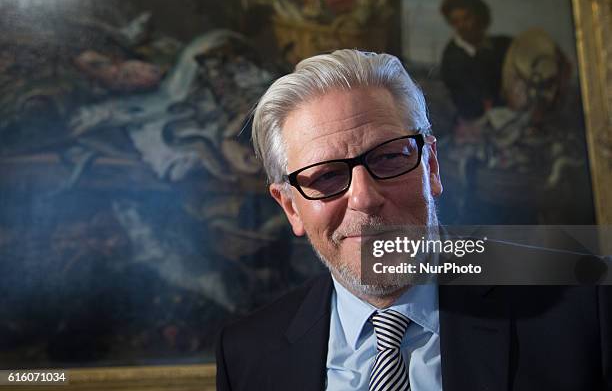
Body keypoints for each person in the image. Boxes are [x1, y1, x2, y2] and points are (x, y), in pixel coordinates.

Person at [215, 50, 611, 390]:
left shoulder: (582, 298)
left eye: (389, 157)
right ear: (289, 206)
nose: (365, 198)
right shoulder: (247, 357)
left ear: (431, 166)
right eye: (326, 177)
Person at [439, 0, 512, 125]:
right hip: (474, 125)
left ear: (480, 17)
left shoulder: (504, 45)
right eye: (455, 21)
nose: (462, 26)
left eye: (466, 18)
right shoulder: (452, 58)